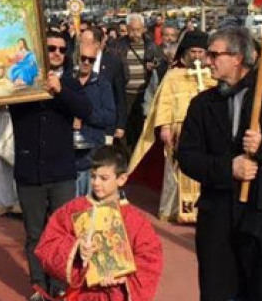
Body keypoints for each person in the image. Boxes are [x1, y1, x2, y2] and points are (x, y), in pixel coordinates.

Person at [176, 27, 262, 301]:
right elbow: (188, 157)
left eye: (215, 54)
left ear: (237, 58)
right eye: (208, 54)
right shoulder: (202, 105)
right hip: (218, 220)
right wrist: (228, 168)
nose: (208, 61)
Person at [9, 30, 93, 300]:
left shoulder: (70, 83)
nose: (56, 53)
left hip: (61, 171)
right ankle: (38, 286)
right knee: (34, 233)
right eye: (51, 48)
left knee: (63, 232)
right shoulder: (22, 79)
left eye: (61, 49)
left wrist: (60, 92)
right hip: (29, 169)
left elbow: (85, 110)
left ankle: (59, 283)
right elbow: (1, 96)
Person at [34, 145, 165, 301]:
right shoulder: (75, 208)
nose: (96, 183)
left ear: (121, 179)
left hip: (118, 295)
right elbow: (48, 242)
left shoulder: (137, 220)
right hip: (81, 293)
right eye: (93, 176)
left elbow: (150, 260)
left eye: (104, 178)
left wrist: (124, 278)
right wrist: (76, 249)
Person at [130, 30, 215, 223]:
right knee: (176, 171)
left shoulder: (212, 75)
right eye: (193, 51)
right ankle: (175, 210)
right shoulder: (173, 76)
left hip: (205, 131)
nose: (196, 56)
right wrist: (165, 127)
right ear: (185, 52)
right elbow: (164, 103)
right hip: (179, 130)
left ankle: (202, 210)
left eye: (201, 52)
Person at [73, 26, 118, 196]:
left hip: (91, 152)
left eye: (90, 60)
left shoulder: (102, 84)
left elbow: (109, 117)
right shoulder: (66, 82)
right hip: (68, 156)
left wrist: (86, 116)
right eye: (82, 59)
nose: (86, 63)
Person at [119, 15, 162, 146]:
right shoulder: (119, 45)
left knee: (142, 128)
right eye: (131, 30)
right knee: (126, 129)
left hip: (144, 93)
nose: (135, 34)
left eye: (138, 30)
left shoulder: (151, 45)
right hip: (125, 93)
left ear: (143, 29)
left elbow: (160, 61)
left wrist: (154, 65)